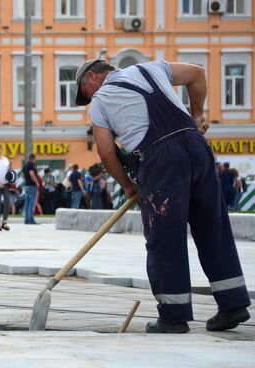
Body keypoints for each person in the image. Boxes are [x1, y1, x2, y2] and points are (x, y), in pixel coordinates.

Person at [77, 57, 250, 333]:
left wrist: (127, 185)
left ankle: (173, 316)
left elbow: (106, 152)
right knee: (213, 228)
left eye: (85, 93)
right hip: (196, 147)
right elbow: (197, 74)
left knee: (165, 238)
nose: (89, 99)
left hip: (161, 160)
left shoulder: (100, 101)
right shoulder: (153, 67)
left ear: (93, 79)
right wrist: (197, 115)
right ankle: (233, 304)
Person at [22, 154, 41, 224]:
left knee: (27, 203)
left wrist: (26, 180)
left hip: (26, 186)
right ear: (33, 159)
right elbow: (32, 174)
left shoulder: (25, 165)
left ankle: (26, 219)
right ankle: (31, 219)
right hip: (32, 186)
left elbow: (22, 175)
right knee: (31, 203)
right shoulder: (31, 165)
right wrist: (37, 182)